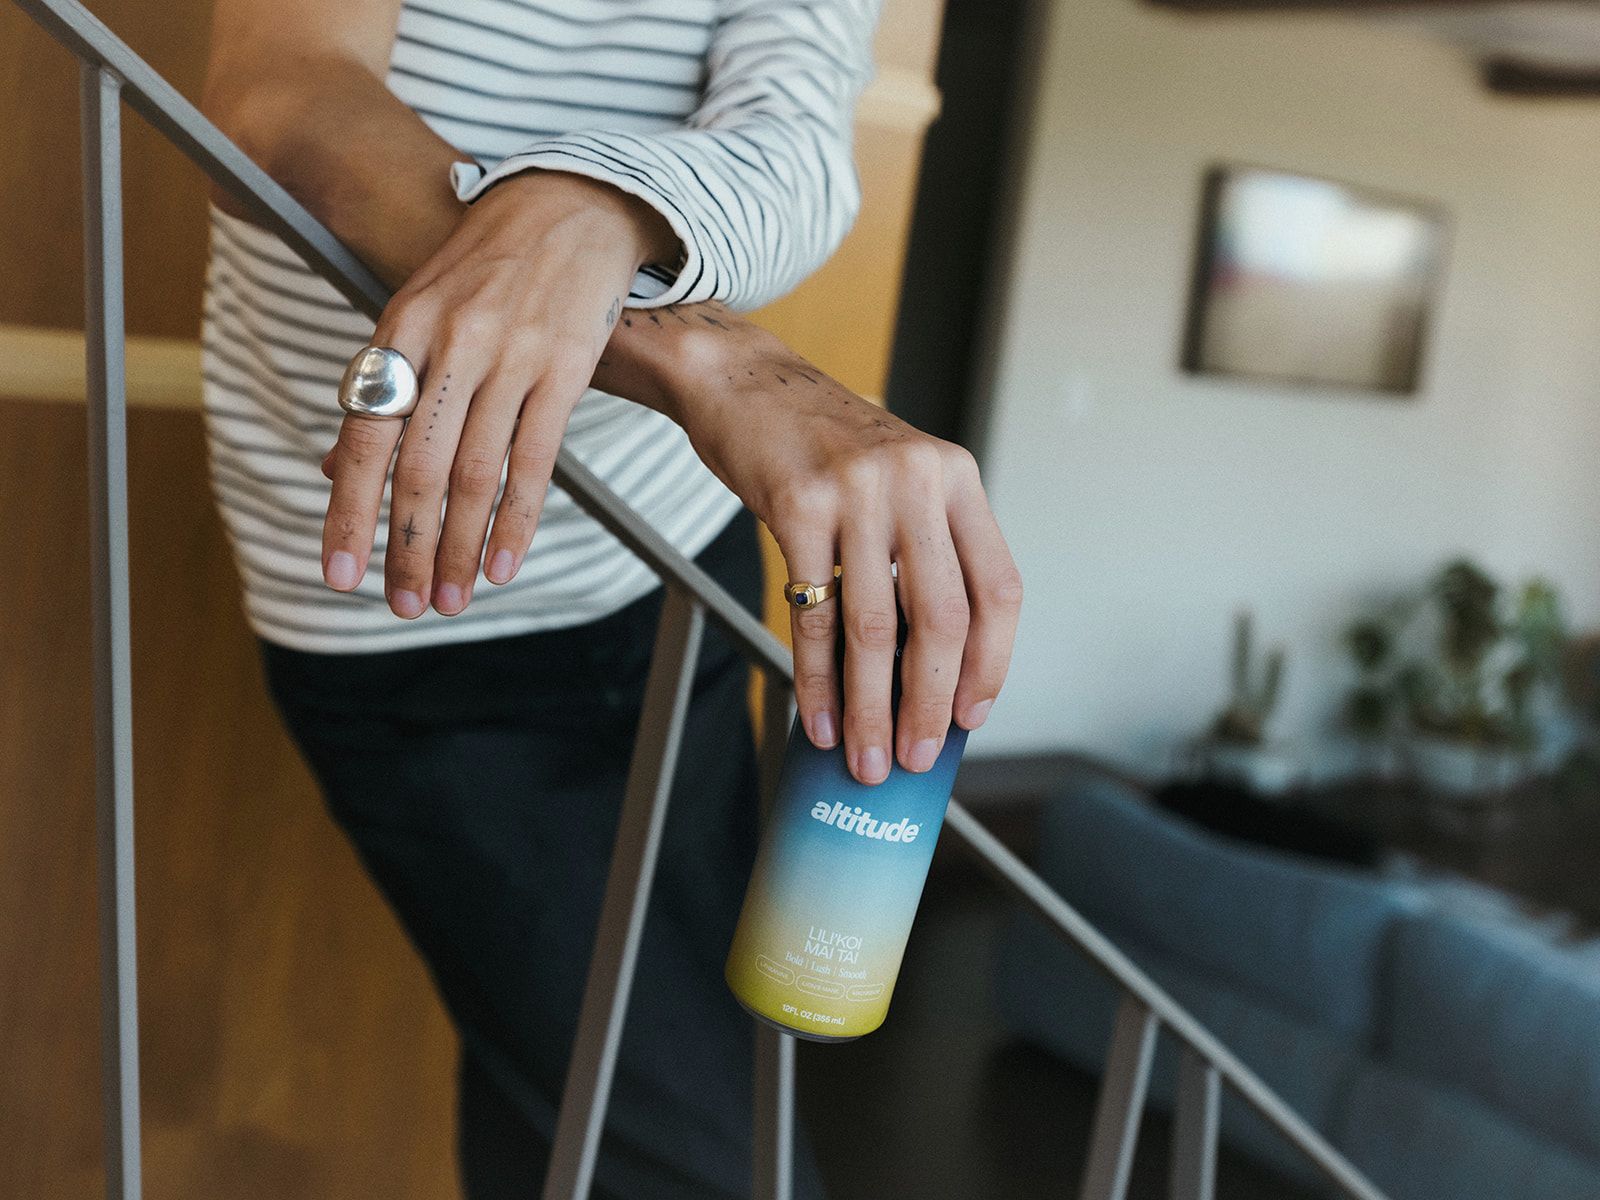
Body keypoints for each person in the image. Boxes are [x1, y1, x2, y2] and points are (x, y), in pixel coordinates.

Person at [200, 0, 1022, 1194]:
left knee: (572, 1109)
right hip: (425, 615)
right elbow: (281, 94)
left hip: (672, 557)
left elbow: (794, 127)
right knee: (699, 1158)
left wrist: (597, 206)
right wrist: (701, 350)